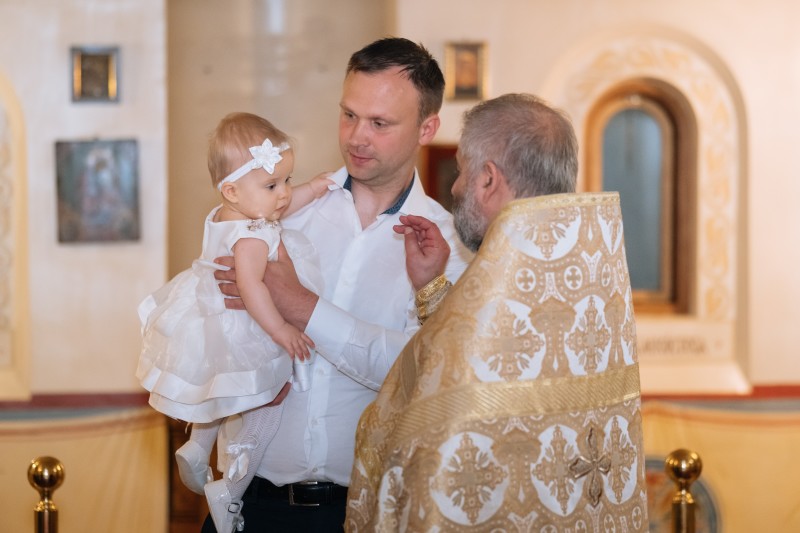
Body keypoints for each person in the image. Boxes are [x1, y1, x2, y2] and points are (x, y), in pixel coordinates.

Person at [347, 94, 648, 531]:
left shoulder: (499, 288)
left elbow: (420, 437)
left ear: (488, 179)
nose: (454, 187)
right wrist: (432, 289)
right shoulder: (594, 286)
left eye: (462, 171)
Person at [209, 38, 473, 532]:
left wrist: (301, 306)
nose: (356, 137)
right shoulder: (283, 212)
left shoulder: (450, 247)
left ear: (427, 127)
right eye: (348, 115)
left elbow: (422, 375)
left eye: (379, 123)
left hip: (364, 512)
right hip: (251, 503)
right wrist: (240, 384)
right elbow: (212, 318)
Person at [137, 112, 332, 533]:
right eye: (273, 185)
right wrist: (281, 330)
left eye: (287, 180)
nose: (284, 195)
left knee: (218, 391)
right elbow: (251, 286)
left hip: (207, 317)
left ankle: (198, 443)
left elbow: (279, 206)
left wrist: (313, 188)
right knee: (271, 398)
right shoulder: (253, 237)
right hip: (247, 321)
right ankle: (232, 490)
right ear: (233, 189)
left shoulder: (228, 213)